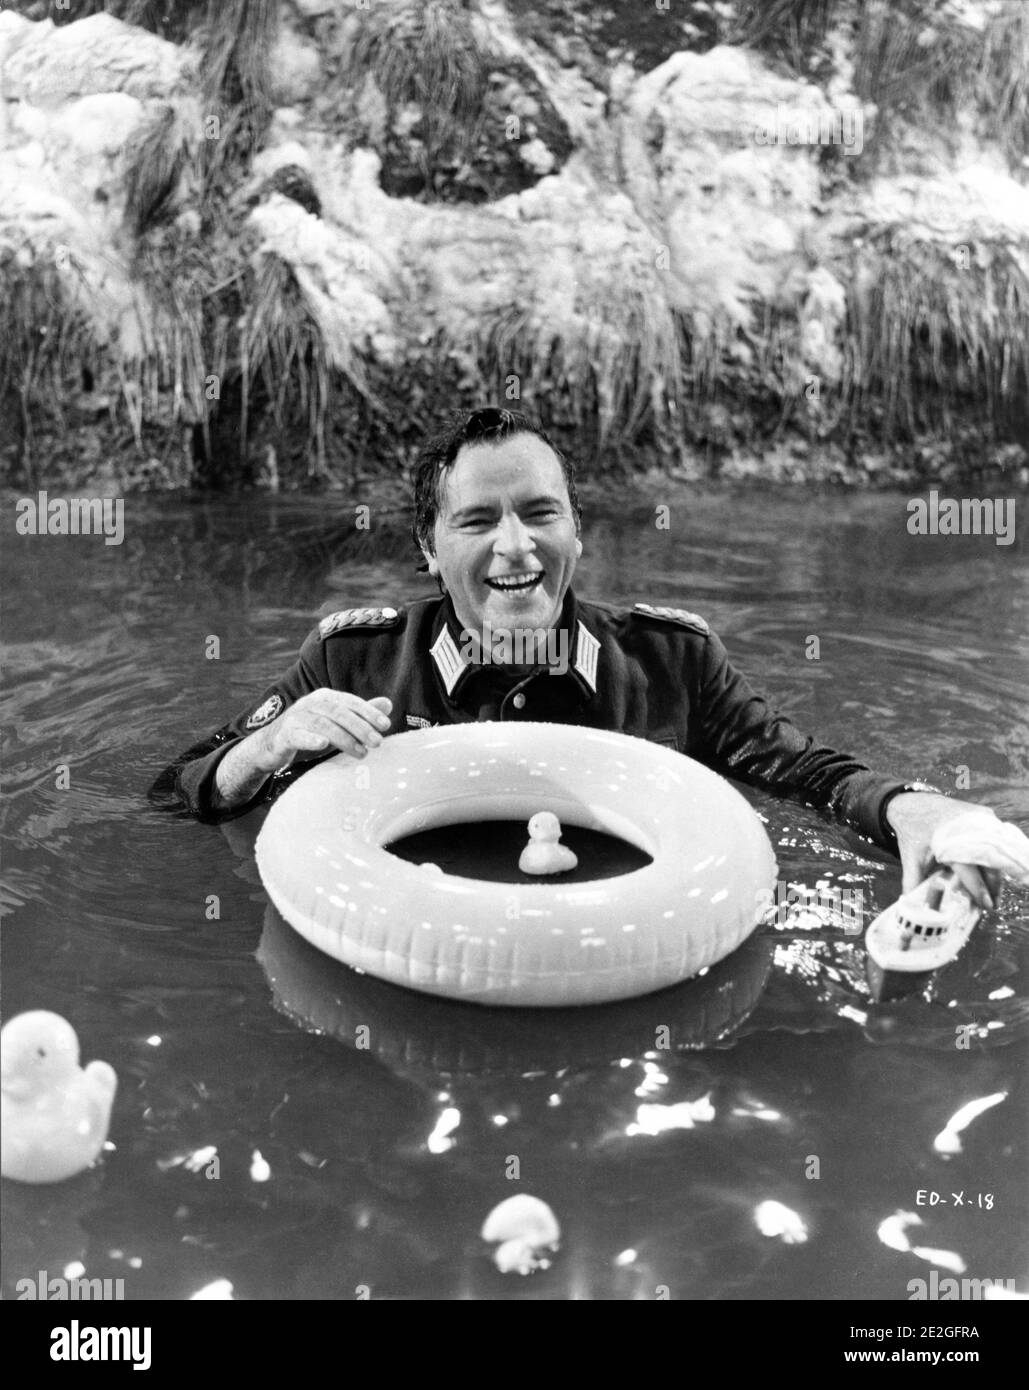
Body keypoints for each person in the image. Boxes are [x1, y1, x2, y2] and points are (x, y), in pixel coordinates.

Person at [163, 406, 1001, 909]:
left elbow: (805, 772)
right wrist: (272, 747)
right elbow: (182, 787)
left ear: (576, 531)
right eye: (477, 520)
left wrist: (911, 809)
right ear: (426, 545)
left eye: (540, 514)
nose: (515, 547)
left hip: (627, 940)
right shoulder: (354, 662)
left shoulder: (673, 662)